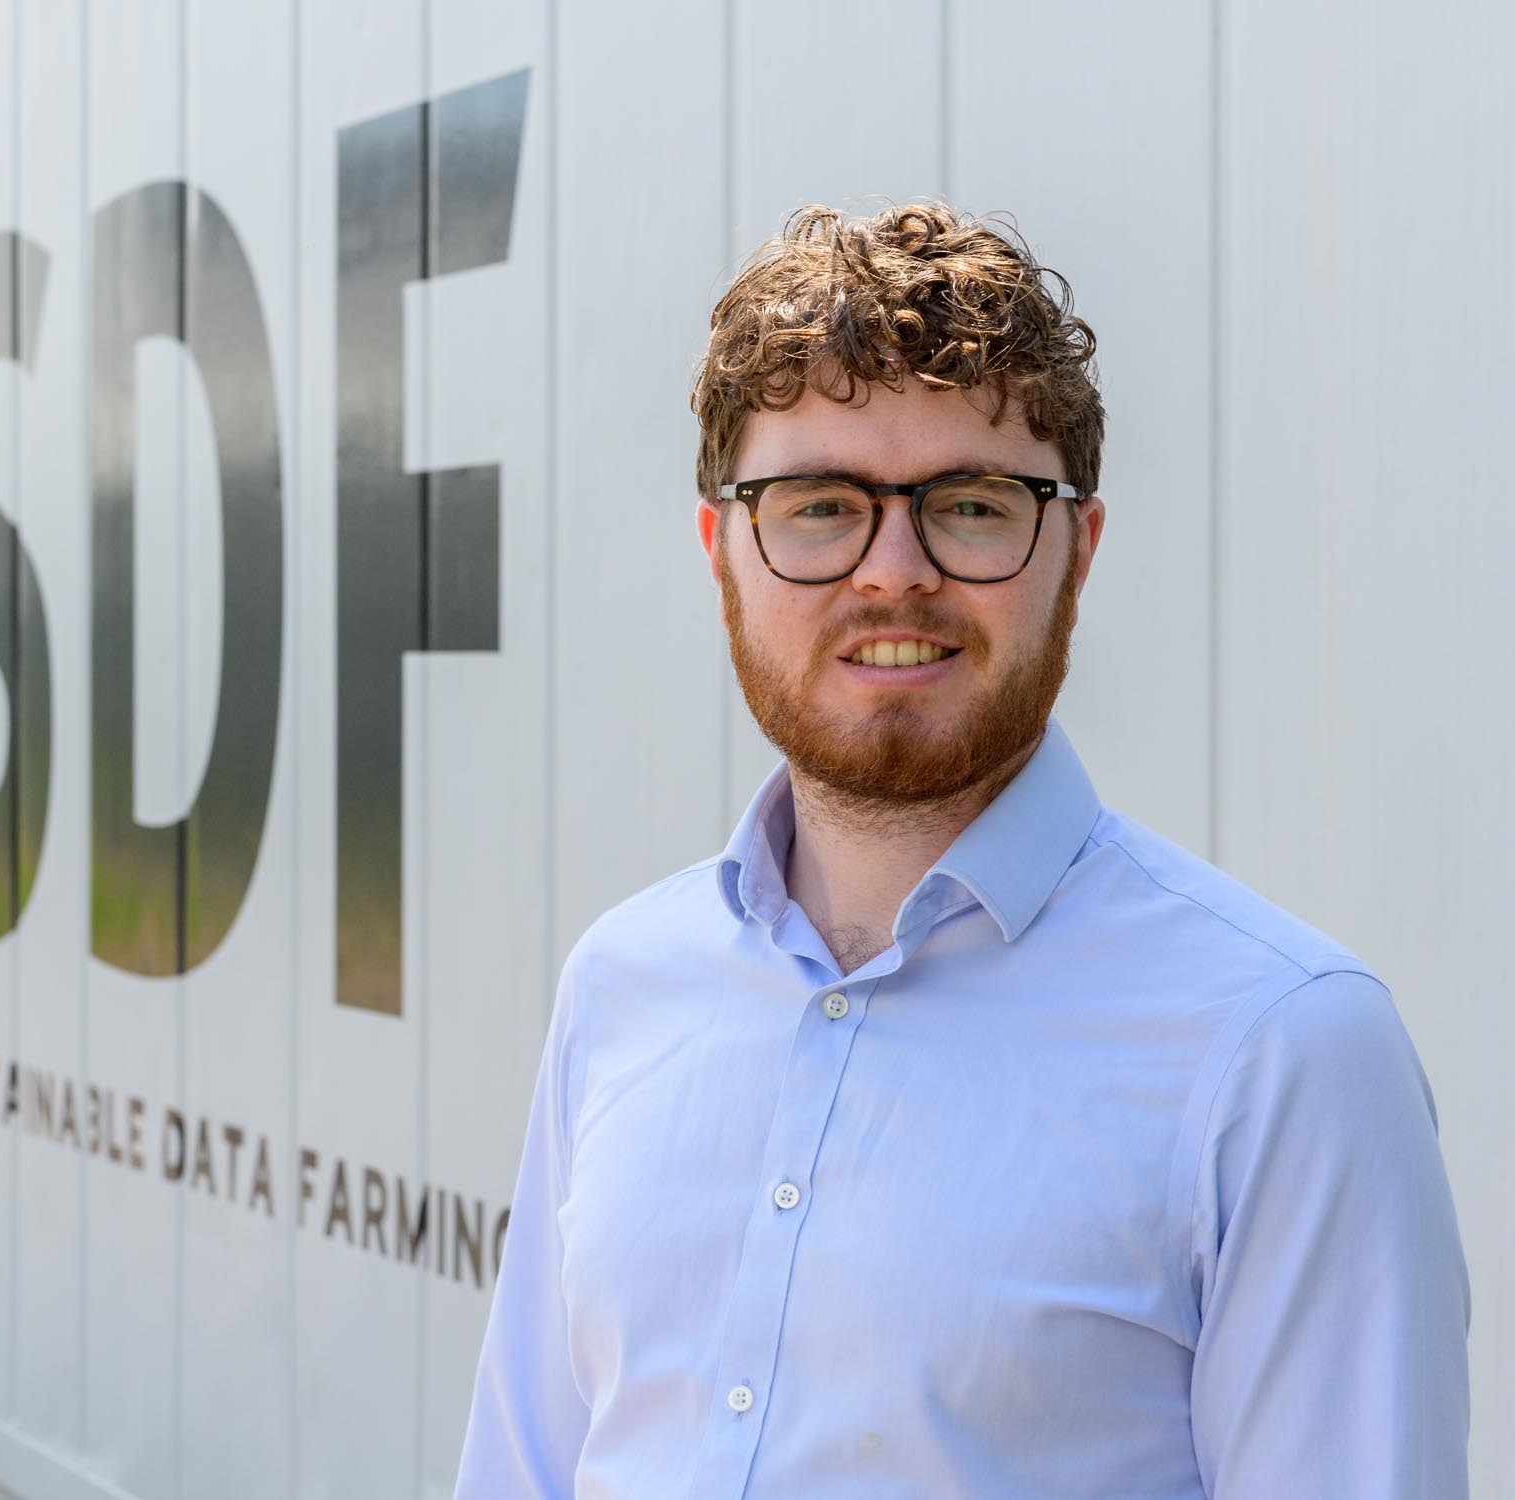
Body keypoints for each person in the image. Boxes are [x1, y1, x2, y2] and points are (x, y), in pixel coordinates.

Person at [452, 201, 1470, 1498]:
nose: (893, 572)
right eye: (820, 506)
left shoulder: (1282, 1052)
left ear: (1076, 553)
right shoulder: (622, 983)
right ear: (723, 554)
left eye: (973, 506)